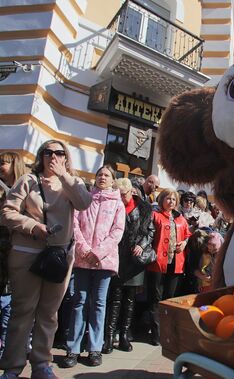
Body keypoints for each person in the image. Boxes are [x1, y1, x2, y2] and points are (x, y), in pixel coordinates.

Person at [0, 140, 92, 379]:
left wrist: (65, 176)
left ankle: (41, 364)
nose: (53, 156)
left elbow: (83, 203)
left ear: (65, 157)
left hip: (59, 257)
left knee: (49, 314)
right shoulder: (27, 181)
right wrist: (32, 226)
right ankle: (12, 367)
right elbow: (7, 212)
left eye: (59, 153)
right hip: (26, 255)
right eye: (48, 152)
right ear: (41, 156)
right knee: (23, 311)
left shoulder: (73, 183)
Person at [60, 165, 125, 369]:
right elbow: (75, 225)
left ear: (113, 180)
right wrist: (85, 251)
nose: (102, 178)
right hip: (83, 259)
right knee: (79, 301)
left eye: (106, 175)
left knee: (98, 303)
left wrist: (98, 253)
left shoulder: (118, 204)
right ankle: (73, 349)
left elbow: (117, 231)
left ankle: (95, 348)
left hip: (104, 261)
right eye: (99, 175)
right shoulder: (84, 199)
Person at [102, 178, 154, 354]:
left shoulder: (144, 208)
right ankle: (109, 337)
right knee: (115, 299)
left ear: (131, 192)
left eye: (123, 194)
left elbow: (150, 231)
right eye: (118, 194)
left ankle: (124, 335)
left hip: (134, 259)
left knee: (130, 300)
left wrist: (142, 244)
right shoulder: (112, 206)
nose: (120, 197)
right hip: (116, 257)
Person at [146, 189, 191, 345]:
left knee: (169, 299)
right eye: (168, 198)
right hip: (157, 263)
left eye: (173, 199)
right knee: (155, 299)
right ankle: (156, 333)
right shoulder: (155, 215)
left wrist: (184, 243)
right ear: (162, 200)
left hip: (175, 263)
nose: (171, 201)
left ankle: (168, 331)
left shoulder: (180, 219)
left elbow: (187, 235)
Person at [0, 153, 28, 359]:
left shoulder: (24, 189)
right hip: (3, 251)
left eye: (4, 163)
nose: (0, 166)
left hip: (15, 251)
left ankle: (9, 349)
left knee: (11, 304)